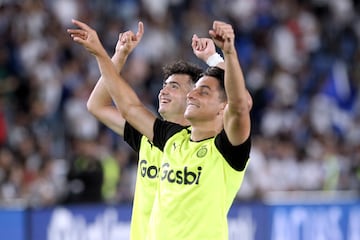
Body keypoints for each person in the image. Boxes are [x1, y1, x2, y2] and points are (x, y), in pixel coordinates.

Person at [68, 19, 252, 239]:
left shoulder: (225, 150)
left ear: (222, 108)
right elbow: (127, 106)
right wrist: (104, 54)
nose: (164, 92)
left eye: (175, 87)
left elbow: (241, 104)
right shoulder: (167, 138)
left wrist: (223, 55)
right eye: (164, 86)